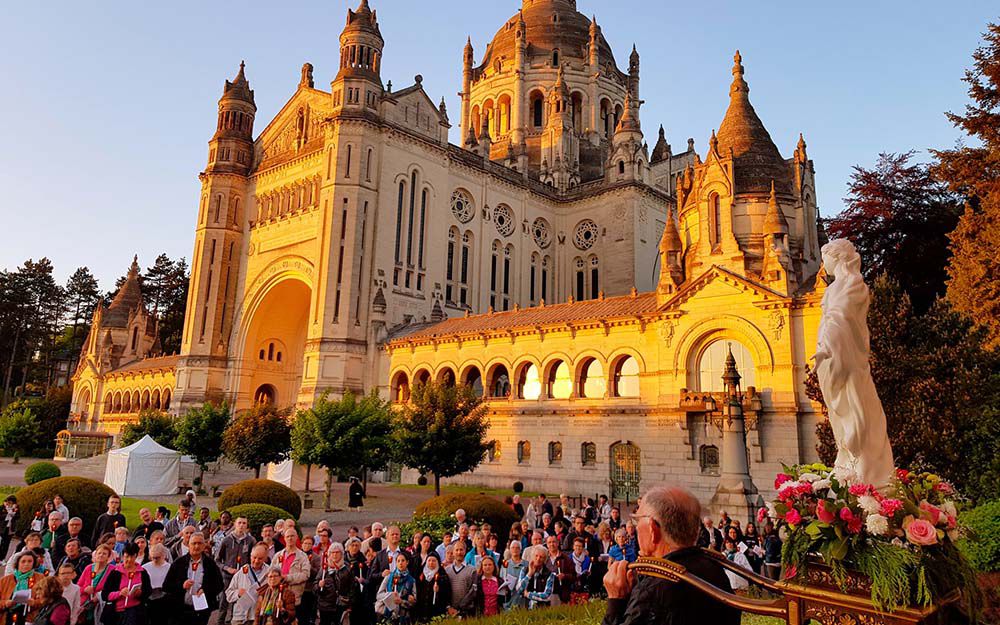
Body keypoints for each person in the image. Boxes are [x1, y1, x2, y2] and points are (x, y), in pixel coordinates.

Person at [602, 485, 741, 625]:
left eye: (638, 520)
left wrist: (616, 602)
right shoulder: (714, 569)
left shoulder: (652, 591)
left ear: (652, 529)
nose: (637, 527)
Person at [163, 532, 224, 625]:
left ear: (204, 546)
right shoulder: (179, 563)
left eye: (199, 543)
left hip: (201, 610)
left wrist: (206, 590)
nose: (196, 546)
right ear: (188, 545)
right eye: (194, 543)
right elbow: (167, 586)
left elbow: (219, 584)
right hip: (181, 609)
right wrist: (182, 585)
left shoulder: (210, 563)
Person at [102, 542, 152, 625]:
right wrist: (119, 593)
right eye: (126, 556)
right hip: (116, 613)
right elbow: (105, 595)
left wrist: (140, 593)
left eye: (132, 557)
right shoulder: (115, 572)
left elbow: (148, 591)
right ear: (123, 556)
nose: (129, 560)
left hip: (135, 612)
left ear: (136, 556)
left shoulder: (142, 572)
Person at [217, 516, 256, 620]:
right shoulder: (226, 540)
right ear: (235, 524)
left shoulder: (251, 541)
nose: (241, 525)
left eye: (244, 523)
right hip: (228, 576)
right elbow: (217, 560)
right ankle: (220, 620)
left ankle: (234, 620)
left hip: (243, 577)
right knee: (224, 600)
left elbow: (253, 559)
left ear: (247, 526)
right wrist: (226, 568)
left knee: (239, 600)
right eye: (239, 523)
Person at [226, 544, 269, 625]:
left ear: (265, 559)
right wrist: (238, 593)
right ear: (250, 556)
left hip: (259, 617)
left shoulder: (269, 573)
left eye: (260, 558)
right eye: (254, 557)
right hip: (240, 617)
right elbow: (228, 594)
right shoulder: (242, 572)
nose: (256, 561)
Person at [317, 542, 357, 625]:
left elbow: (352, 587)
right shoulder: (324, 568)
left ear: (342, 554)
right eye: (332, 552)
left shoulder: (347, 568)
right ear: (329, 554)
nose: (335, 555)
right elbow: (315, 585)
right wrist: (318, 585)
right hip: (325, 605)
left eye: (337, 552)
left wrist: (349, 603)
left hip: (341, 605)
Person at [0, 551, 45, 625]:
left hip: (29, 618)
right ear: (17, 563)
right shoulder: (5, 580)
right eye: (23, 561)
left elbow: (45, 599)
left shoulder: (41, 579)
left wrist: (34, 602)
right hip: (7, 616)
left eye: (30, 561)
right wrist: (5, 603)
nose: (26, 564)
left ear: (34, 563)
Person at [273, 528, 310, 606]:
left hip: (294, 598)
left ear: (296, 537)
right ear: (284, 538)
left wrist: (287, 578)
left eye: (292, 536)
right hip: (277, 597)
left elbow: (305, 575)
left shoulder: (303, 556)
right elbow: (270, 572)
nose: (290, 538)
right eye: (288, 536)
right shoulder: (278, 555)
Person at [375, 553, 416, 624]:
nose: (400, 563)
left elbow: (414, 602)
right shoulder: (389, 577)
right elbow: (378, 595)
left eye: (403, 560)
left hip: (403, 616)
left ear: (407, 562)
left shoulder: (411, 580)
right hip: (387, 614)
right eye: (398, 561)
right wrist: (390, 595)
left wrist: (402, 602)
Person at [78, 544, 113, 625]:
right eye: (99, 553)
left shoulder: (112, 570)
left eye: (104, 554)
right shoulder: (88, 568)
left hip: (101, 605)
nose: (101, 555)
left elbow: (114, 588)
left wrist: (99, 596)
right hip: (85, 605)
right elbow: (78, 586)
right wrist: (85, 589)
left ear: (108, 557)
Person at [413, 552, 448, 621]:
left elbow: (447, 593)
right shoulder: (421, 574)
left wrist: (439, 591)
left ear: (437, 562)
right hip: (421, 609)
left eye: (433, 561)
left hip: (436, 610)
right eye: (429, 560)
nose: (431, 563)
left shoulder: (442, 576)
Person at [444, 541, 475, 617]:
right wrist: (448, 607)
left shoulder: (472, 570)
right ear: (453, 552)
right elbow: (444, 591)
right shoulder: (447, 570)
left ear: (465, 551)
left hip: (467, 612)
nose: (459, 552)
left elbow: (473, 591)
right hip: (450, 612)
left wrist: (462, 607)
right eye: (456, 550)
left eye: (461, 550)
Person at [142, 544, 171, 625]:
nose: (155, 560)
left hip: (165, 601)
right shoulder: (145, 568)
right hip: (149, 600)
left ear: (163, 556)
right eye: (153, 557)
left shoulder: (170, 568)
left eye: (157, 557)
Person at [544, 535, 574, 605]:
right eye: (549, 542)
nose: (552, 544)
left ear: (558, 543)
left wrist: (564, 576)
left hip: (562, 594)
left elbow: (574, 576)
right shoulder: (544, 558)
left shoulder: (566, 558)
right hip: (545, 594)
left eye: (554, 542)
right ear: (547, 545)